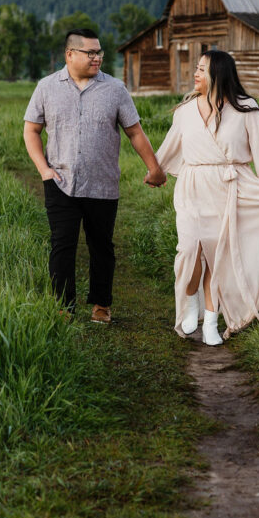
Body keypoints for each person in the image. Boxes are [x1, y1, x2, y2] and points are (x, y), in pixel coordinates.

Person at [146, 50, 259, 344]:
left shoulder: (246, 109)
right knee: (188, 252)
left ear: (218, 75)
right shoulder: (185, 111)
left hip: (230, 188)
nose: (195, 74)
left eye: (202, 69)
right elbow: (170, 147)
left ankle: (212, 322)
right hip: (192, 187)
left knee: (219, 258)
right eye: (197, 68)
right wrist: (155, 170)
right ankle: (191, 305)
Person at [24, 27, 166, 322]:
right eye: (90, 53)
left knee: (102, 246)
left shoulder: (115, 89)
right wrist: (44, 170)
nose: (97, 58)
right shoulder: (46, 87)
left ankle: (101, 305)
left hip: (102, 184)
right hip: (59, 182)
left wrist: (154, 168)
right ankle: (65, 306)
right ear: (70, 54)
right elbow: (31, 130)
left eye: (99, 52)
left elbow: (135, 132)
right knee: (62, 245)